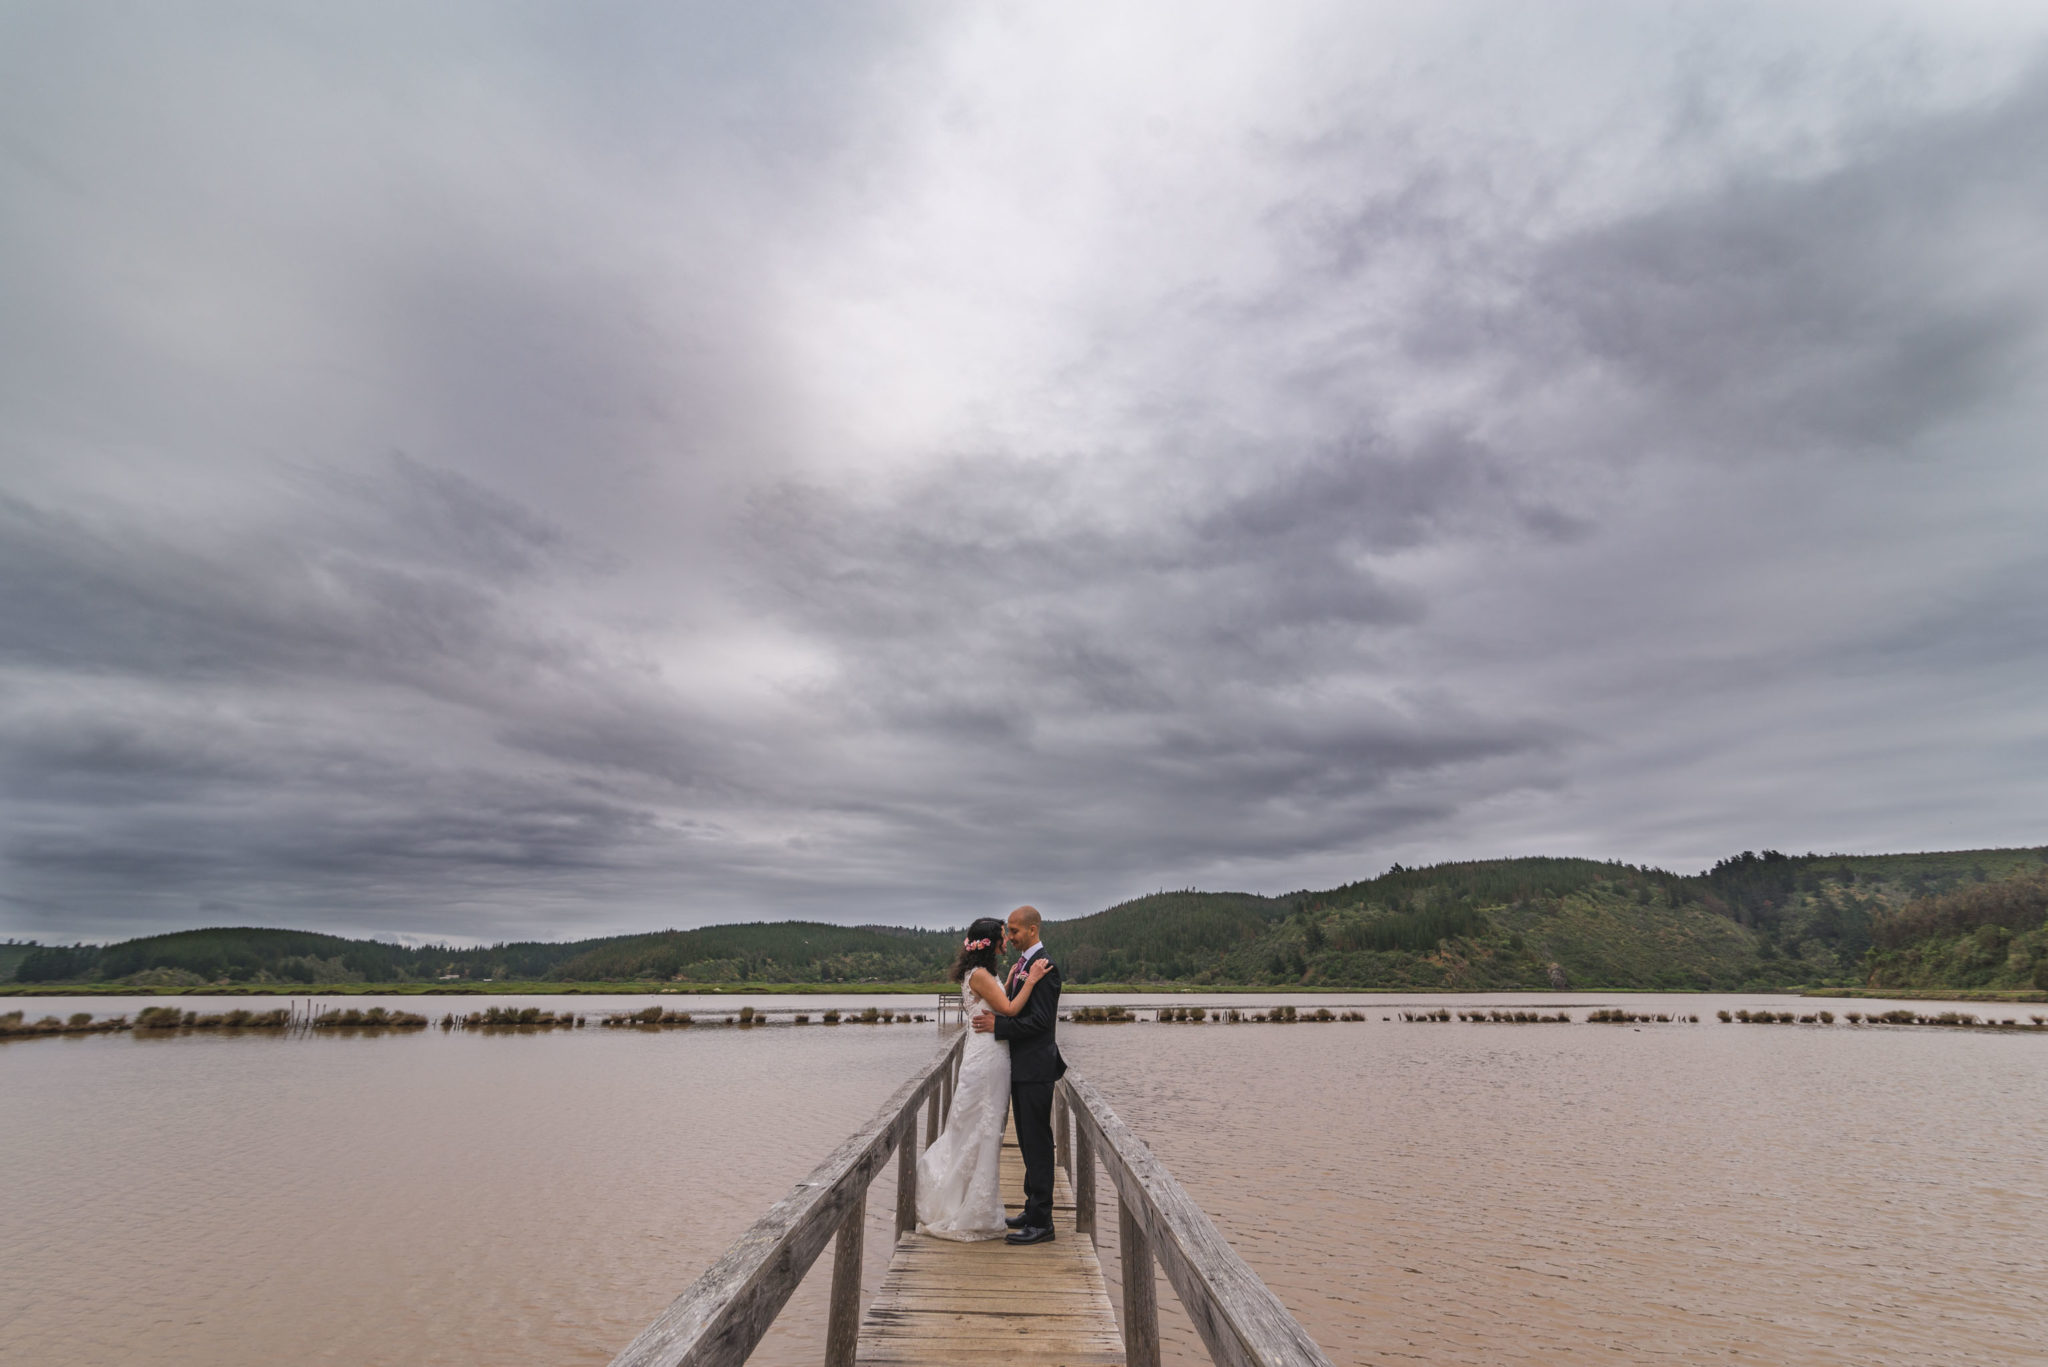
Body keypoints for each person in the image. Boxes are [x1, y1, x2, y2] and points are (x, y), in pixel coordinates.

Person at [915, 916, 1052, 1241]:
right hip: (988, 1058)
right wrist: (1031, 979)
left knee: (982, 1127)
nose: (1007, 940)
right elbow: (1010, 1008)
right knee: (983, 1128)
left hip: (986, 1054)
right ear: (991, 942)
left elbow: (998, 1004)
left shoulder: (979, 974)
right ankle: (973, 1207)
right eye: (1003, 936)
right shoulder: (980, 975)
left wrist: (1018, 979)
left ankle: (978, 1203)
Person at [971, 904, 1065, 1245]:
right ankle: (1031, 1208)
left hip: (1037, 1068)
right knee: (1026, 1141)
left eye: (1014, 931)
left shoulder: (1046, 967)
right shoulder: (1025, 965)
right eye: (1007, 932)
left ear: (1033, 930)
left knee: (1038, 1143)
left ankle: (1043, 1223)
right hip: (1022, 1068)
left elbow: (1041, 1022)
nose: (1009, 937)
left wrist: (1000, 1025)